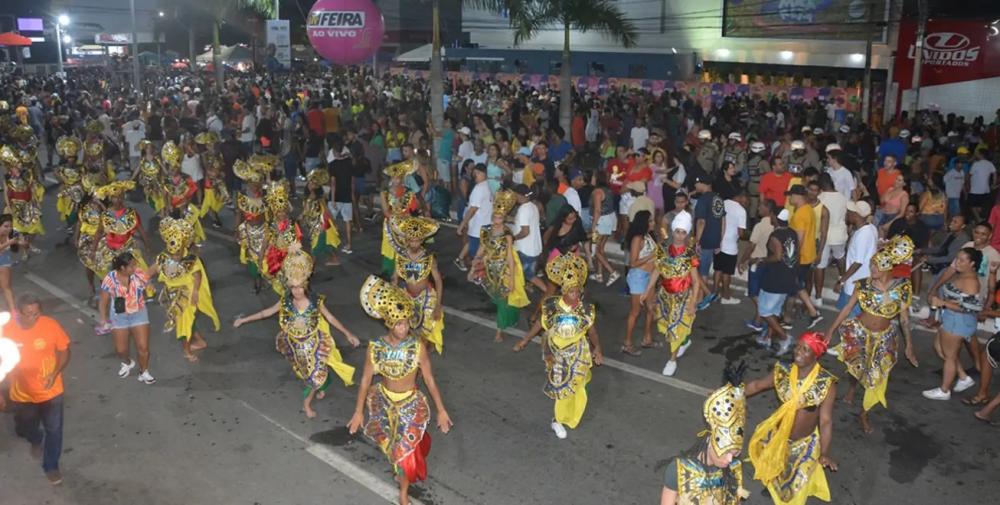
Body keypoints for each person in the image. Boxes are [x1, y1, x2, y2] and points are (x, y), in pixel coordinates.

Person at [350, 275, 453, 505]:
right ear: (389, 323)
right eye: (399, 323)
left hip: (410, 404)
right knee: (393, 448)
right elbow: (366, 380)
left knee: (405, 455)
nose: (404, 327)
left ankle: (404, 493)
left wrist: (441, 410)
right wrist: (358, 412)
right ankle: (403, 465)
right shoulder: (376, 348)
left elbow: (429, 379)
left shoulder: (417, 347)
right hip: (385, 404)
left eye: (406, 322)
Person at [235, 245, 359, 417]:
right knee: (313, 374)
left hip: (315, 345)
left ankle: (306, 404)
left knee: (315, 374)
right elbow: (267, 312)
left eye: (300, 287)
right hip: (296, 347)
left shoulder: (316, 302)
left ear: (306, 285)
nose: (297, 291)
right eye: (293, 287)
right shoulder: (285, 301)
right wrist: (244, 320)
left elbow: (330, 318)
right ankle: (320, 386)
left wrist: (348, 333)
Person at [825, 235, 918, 433]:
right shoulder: (863, 285)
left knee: (877, 376)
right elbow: (846, 309)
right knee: (857, 368)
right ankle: (852, 388)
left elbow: (904, 319)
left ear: (886, 267)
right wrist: (830, 330)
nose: (872, 269)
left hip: (885, 337)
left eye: (875, 266)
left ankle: (864, 413)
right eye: (872, 265)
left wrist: (909, 345)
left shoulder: (902, 287)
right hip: (860, 333)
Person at [513, 253, 603, 439]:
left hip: (578, 352)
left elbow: (591, 331)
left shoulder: (585, 309)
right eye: (572, 291)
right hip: (558, 354)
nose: (576, 295)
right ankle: (557, 420)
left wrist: (598, 349)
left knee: (578, 387)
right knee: (562, 388)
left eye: (578, 291)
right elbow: (539, 324)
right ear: (563, 291)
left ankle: (571, 417)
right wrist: (525, 339)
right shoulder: (551, 307)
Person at [745, 332, 838, 505]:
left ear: (816, 354)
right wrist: (730, 393)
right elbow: (757, 385)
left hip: (803, 445)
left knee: (796, 491)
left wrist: (824, 452)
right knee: (776, 468)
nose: (798, 352)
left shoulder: (826, 384)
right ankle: (774, 484)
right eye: (797, 346)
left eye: (805, 349)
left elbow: (825, 421)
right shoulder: (783, 371)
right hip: (779, 435)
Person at [0, 293, 72, 485]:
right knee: (25, 425)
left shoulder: (50, 325)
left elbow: (64, 350)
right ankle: (34, 438)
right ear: (18, 313)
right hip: (21, 392)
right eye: (29, 314)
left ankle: (51, 466)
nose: (34, 318)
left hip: (51, 390)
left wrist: (55, 373)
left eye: (37, 313)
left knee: (54, 429)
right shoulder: (6, 330)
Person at [660, 364, 749, 505]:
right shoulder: (679, 471)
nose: (729, 459)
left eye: (734, 453)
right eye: (726, 452)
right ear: (710, 440)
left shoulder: (733, 468)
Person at [151, 217, 221, 362]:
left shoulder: (190, 259)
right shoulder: (163, 258)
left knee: (184, 323)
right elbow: (148, 272)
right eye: (173, 254)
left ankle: (187, 351)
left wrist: (195, 291)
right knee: (186, 321)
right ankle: (200, 341)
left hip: (186, 295)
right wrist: (144, 283)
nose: (176, 256)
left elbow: (198, 275)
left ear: (183, 248)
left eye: (178, 254)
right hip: (171, 295)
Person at [645, 210, 701, 376]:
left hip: (683, 298)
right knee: (667, 326)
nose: (679, 236)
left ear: (687, 233)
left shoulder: (690, 253)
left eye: (683, 232)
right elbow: (657, 271)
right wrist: (647, 291)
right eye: (677, 231)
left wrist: (693, 303)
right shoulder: (662, 249)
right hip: (664, 296)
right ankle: (684, 341)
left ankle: (672, 360)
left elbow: (696, 281)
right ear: (672, 231)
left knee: (675, 330)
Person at [923, 247, 984, 401]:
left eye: (962, 260)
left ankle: (944, 390)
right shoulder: (961, 274)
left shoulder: (970, 282)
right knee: (940, 348)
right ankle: (963, 377)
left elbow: (970, 308)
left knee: (949, 356)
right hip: (951, 318)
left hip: (958, 322)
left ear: (972, 264)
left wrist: (943, 302)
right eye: (957, 258)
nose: (957, 262)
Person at [469, 190, 530, 341]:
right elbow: (481, 249)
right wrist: (474, 265)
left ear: (504, 218)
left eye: (500, 217)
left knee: (503, 300)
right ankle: (510, 319)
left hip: (504, 269)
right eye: (495, 217)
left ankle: (499, 330)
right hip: (489, 268)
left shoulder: (507, 234)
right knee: (498, 299)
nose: (497, 220)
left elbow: (509, 255)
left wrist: (511, 278)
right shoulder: (486, 231)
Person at [97, 252, 154, 383]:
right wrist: (103, 318)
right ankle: (127, 362)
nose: (135, 267)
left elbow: (148, 278)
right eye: (132, 266)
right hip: (119, 317)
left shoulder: (138, 274)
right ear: (122, 268)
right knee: (121, 350)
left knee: (143, 348)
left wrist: (149, 285)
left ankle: (144, 371)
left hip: (138, 313)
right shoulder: (110, 279)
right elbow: (103, 300)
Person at [391, 216, 445, 354]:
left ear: (422, 240)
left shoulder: (429, 258)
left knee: (424, 333)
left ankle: (421, 362)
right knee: (407, 330)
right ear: (407, 240)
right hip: (407, 295)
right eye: (411, 240)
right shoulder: (401, 256)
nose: (414, 243)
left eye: (417, 240)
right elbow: (395, 277)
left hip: (426, 297)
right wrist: (393, 297)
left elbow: (438, 281)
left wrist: (438, 306)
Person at [786, 185, 824, 331]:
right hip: (808, 255)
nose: (789, 198)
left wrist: (792, 259)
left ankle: (810, 313)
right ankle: (790, 316)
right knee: (796, 285)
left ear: (798, 196)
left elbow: (799, 239)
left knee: (794, 286)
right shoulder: (808, 209)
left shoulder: (800, 214)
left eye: (791, 195)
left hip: (800, 257)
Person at [622, 210, 657, 356]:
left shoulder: (648, 236)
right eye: (650, 221)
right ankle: (627, 344)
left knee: (651, 308)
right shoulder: (637, 239)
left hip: (650, 277)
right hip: (638, 277)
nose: (653, 223)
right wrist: (651, 256)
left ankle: (647, 339)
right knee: (635, 312)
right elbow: (633, 262)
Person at [0, 144, 45, 255]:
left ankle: (29, 243)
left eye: (20, 163)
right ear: (11, 166)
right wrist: (8, 206)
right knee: (18, 230)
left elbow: (32, 189)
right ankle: (24, 250)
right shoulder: (7, 177)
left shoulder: (27, 174)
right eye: (17, 163)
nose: (20, 165)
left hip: (29, 204)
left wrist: (37, 203)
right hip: (15, 206)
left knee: (35, 227)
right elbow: (6, 193)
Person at [260, 182, 302, 295]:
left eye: (284, 211)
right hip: (275, 257)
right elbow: (265, 242)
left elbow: (297, 242)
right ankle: (285, 301)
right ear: (274, 212)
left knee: (292, 284)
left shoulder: (292, 223)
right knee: (280, 285)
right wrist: (260, 260)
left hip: (290, 256)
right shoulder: (270, 225)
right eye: (279, 212)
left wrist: (298, 259)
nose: (282, 214)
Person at [381, 160, 420, 275]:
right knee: (391, 251)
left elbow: (413, 210)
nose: (396, 180)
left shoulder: (408, 193)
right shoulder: (385, 193)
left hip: (405, 226)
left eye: (399, 178)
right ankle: (390, 275)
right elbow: (386, 211)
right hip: (391, 226)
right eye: (394, 177)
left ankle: (405, 275)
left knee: (407, 251)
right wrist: (398, 220)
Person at [814, 174, 847, 307]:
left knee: (820, 266)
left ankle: (818, 297)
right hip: (839, 235)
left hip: (823, 236)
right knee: (840, 257)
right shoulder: (842, 197)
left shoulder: (820, 198)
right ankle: (842, 280)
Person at [693, 174, 724, 307]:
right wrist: (719, 240)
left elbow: (701, 221)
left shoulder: (703, 199)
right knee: (704, 270)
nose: (695, 185)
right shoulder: (718, 198)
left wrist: (697, 241)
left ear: (704, 184)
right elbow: (723, 220)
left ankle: (702, 299)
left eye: (697, 183)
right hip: (714, 239)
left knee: (702, 272)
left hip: (704, 239)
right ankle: (702, 297)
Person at [300, 169, 342, 266]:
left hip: (320, 224)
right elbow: (306, 210)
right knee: (324, 245)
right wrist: (302, 216)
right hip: (312, 224)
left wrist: (333, 223)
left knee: (315, 247)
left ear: (317, 186)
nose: (310, 185)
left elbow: (326, 210)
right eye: (309, 183)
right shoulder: (308, 196)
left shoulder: (318, 198)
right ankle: (335, 259)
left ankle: (310, 267)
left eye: (313, 184)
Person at [511, 184, 547, 292]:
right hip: (534, 248)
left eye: (515, 195)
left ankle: (547, 292)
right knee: (528, 274)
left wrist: (513, 238)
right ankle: (543, 291)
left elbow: (525, 232)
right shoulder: (532, 206)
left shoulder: (523, 210)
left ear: (520, 195)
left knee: (522, 274)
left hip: (525, 249)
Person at [716, 191, 748, 304]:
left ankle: (715, 294)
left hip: (718, 242)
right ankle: (726, 296)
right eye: (746, 201)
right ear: (741, 197)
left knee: (718, 269)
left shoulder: (723, 203)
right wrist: (744, 234)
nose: (746, 203)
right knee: (727, 272)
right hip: (730, 246)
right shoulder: (741, 211)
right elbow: (741, 233)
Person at [328, 138, 355, 254]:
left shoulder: (332, 164)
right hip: (347, 195)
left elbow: (333, 183)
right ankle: (349, 244)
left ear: (334, 151)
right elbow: (352, 180)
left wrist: (333, 199)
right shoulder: (349, 163)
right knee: (348, 221)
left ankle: (333, 244)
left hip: (337, 196)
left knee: (331, 221)